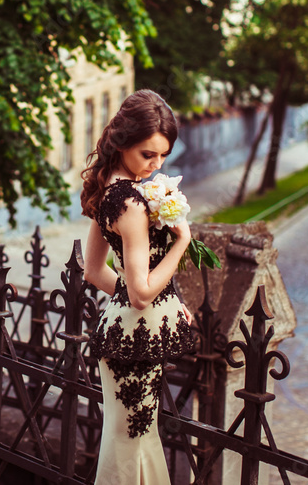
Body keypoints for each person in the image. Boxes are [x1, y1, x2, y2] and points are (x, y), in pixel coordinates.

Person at [81, 89, 195, 485]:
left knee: (131, 438)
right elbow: (141, 292)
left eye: (163, 156)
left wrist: (160, 300)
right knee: (134, 441)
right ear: (123, 141)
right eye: (148, 154)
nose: (156, 164)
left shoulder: (108, 188)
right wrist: (181, 242)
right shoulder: (129, 202)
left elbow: (93, 271)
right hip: (135, 338)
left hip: (127, 335)